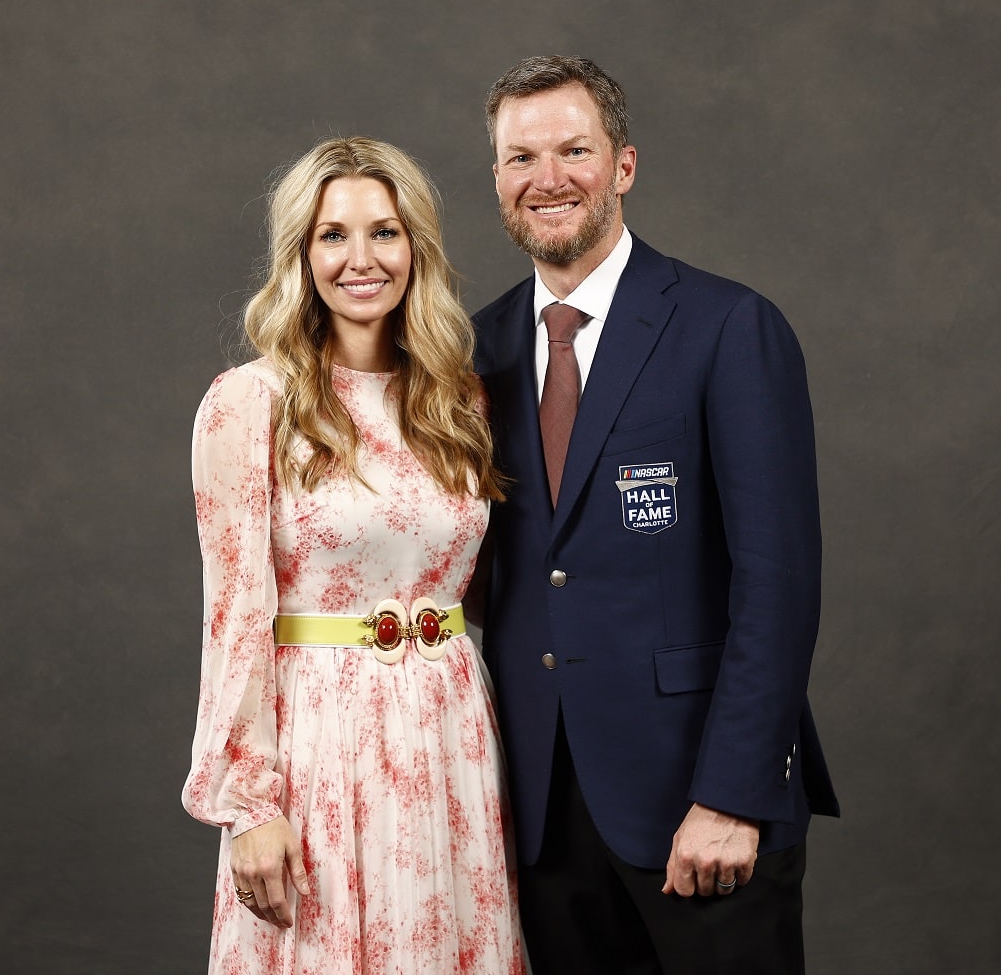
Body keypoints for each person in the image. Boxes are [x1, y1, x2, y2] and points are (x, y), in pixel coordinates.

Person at [471, 56, 840, 974]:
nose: (546, 178)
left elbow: (778, 585)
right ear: (497, 180)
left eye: (573, 150)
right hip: (541, 816)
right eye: (521, 158)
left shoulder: (728, 327)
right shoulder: (474, 349)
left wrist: (734, 795)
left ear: (624, 166)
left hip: (698, 807)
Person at [181, 136, 526, 975]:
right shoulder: (248, 403)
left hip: (451, 734)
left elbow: (489, 584)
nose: (361, 258)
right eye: (333, 235)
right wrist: (250, 805)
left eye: (385, 232)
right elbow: (233, 618)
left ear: (418, 248)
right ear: (300, 253)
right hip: (320, 742)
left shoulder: (460, 400)